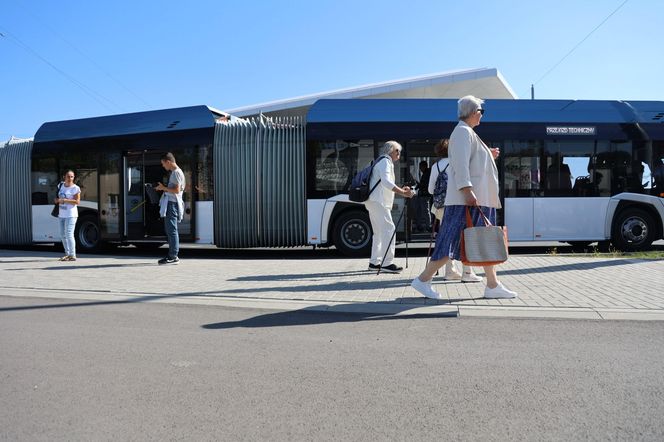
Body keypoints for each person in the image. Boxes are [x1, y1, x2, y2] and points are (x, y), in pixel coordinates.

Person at [411, 96, 518, 299]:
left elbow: (470, 160)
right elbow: (460, 164)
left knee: (485, 241)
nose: (481, 116)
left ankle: (493, 285)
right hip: (467, 199)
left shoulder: (466, 132)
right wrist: (467, 189)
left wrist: (488, 153)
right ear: (473, 112)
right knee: (450, 240)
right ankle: (422, 280)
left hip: (474, 198)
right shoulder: (462, 132)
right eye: (481, 111)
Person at [428, 139, 481, 283]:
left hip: (440, 208)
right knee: (464, 237)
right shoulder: (459, 163)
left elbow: (430, 189)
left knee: (448, 236)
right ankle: (467, 271)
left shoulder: (435, 166)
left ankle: (450, 270)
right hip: (458, 205)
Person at [366, 141, 416, 273]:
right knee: (389, 229)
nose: (399, 153)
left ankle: (374, 262)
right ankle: (387, 263)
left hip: (373, 201)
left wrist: (401, 189)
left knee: (378, 232)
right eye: (397, 151)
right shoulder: (385, 162)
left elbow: (384, 183)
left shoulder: (380, 161)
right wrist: (404, 193)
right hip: (379, 201)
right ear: (390, 151)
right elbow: (387, 183)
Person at [156, 152, 185, 265]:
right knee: (171, 230)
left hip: (172, 204)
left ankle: (173, 256)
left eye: (163, 164)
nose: (163, 166)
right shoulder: (177, 172)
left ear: (168, 162)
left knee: (171, 231)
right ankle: (173, 255)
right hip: (172, 203)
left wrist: (163, 187)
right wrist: (163, 188)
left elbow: (177, 191)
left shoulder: (176, 173)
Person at [55, 170, 81, 261]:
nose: (70, 178)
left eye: (72, 177)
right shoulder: (60, 186)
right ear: (64, 177)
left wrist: (65, 200)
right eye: (68, 176)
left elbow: (77, 202)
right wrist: (57, 200)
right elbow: (57, 198)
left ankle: (72, 255)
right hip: (61, 214)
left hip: (71, 214)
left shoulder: (75, 188)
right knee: (62, 234)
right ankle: (67, 253)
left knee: (69, 234)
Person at [414, 161, 432, 232]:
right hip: (423, 194)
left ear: (424, 166)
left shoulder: (427, 174)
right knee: (422, 210)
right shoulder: (426, 173)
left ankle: (428, 226)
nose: (420, 169)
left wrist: (418, 184)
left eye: (420, 167)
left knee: (425, 210)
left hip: (425, 194)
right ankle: (422, 225)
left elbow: (424, 185)